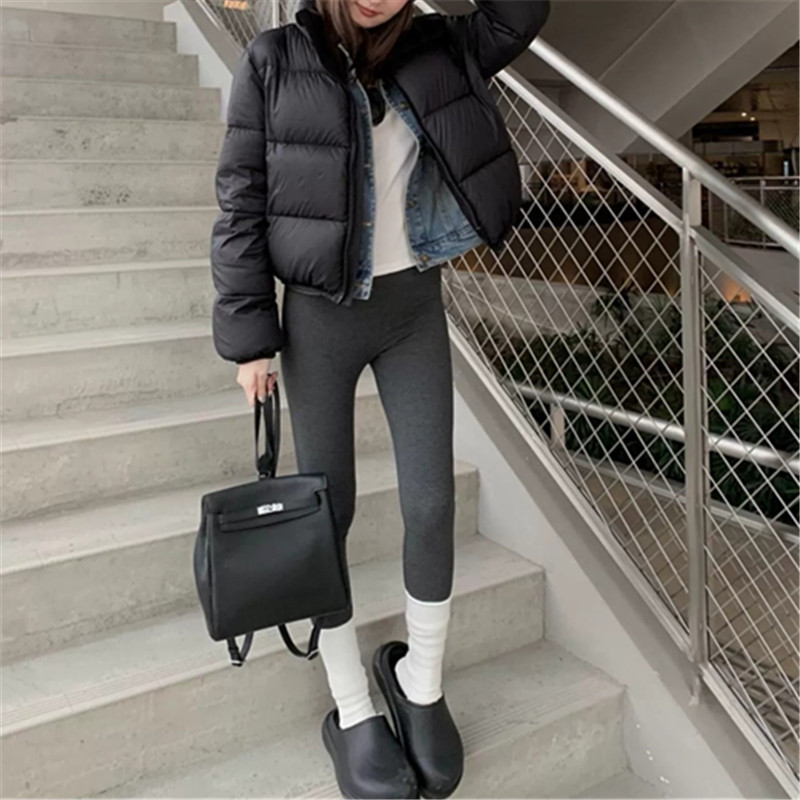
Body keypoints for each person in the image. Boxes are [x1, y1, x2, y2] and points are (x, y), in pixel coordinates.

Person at [209, 0, 551, 797]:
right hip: (319, 321)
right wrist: (251, 337)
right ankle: (352, 708)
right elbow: (240, 199)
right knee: (327, 516)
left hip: (413, 312)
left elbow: (519, 14)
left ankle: (419, 685)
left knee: (431, 504)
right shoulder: (272, 60)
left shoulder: (440, 47)